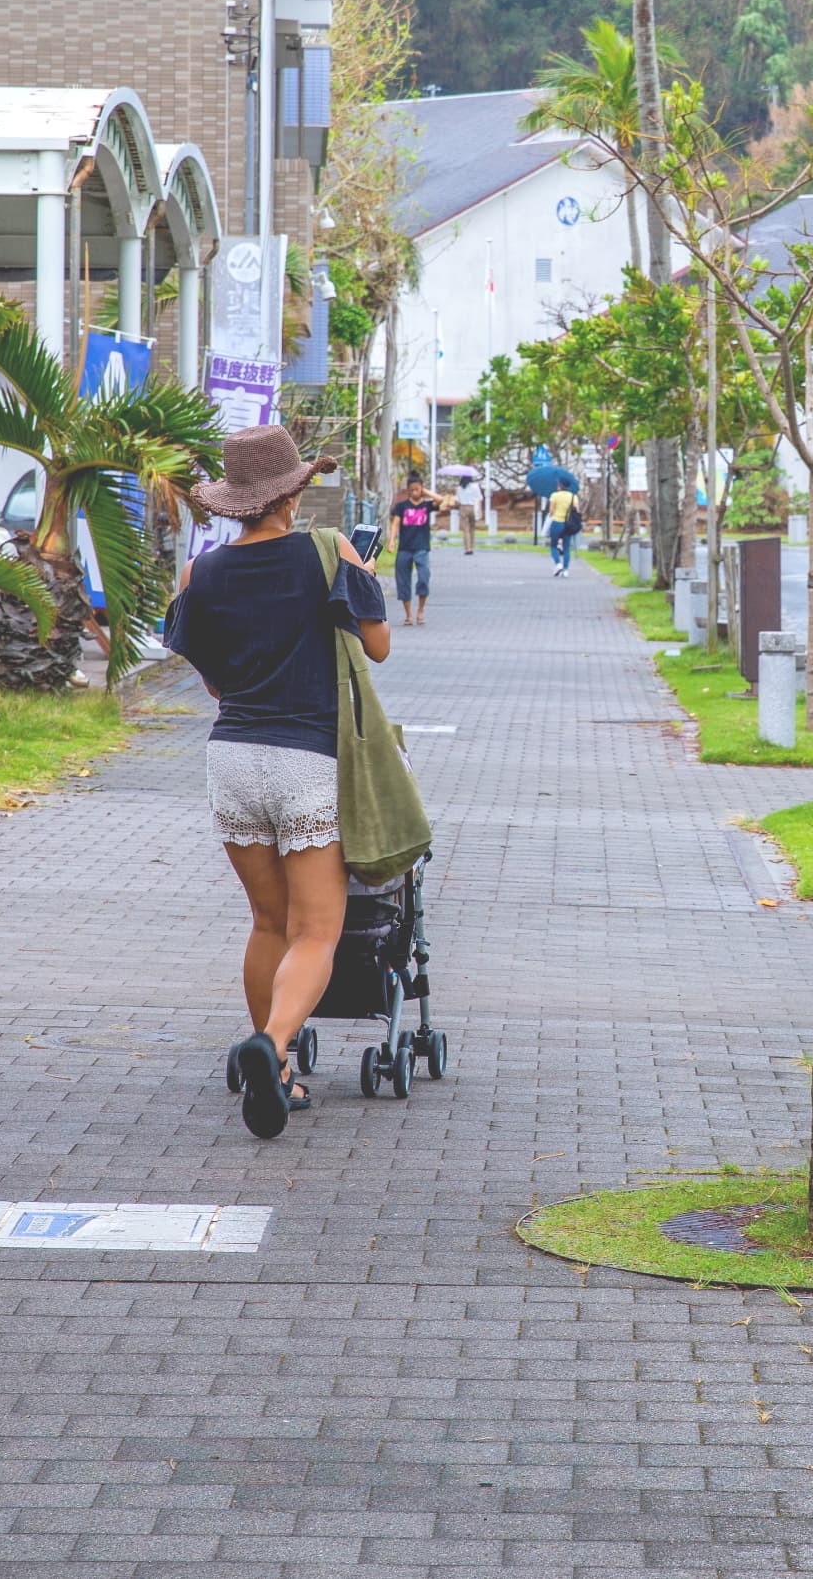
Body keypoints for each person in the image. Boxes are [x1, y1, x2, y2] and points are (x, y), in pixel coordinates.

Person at [162, 425, 393, 1140]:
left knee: (267, 922)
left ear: (234, 503)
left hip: (232, 757)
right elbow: (378, 647)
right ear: (293, 492)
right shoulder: (330, 552)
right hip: (310, 760)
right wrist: (359, 581)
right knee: (318, 930)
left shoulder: (202, 574)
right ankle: (274, 1044)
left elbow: (209, 678)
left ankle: (278, 1066)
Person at [389, 476, 454, 626]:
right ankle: (408, 615)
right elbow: (395, 524)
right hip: (405, 548)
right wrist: (392, 540)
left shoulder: (427, 505)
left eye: (417, 489)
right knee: (403, 581)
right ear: (408, 491)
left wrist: (425, 491)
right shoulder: (401, 506)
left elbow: (441, 500)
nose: (414, 492)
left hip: (422, 548)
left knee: (424, 578)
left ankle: (420, 611)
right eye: (411, 490)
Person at [543, 482, 583, 576]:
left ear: (560, 486)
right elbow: (577, 510)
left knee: (553, 545)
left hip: (557, 522)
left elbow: (551, 511)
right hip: (568, 524)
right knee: (566, 548)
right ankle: (565, 570)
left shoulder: (554, 495)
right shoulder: (573, 496)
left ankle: (558, 564)